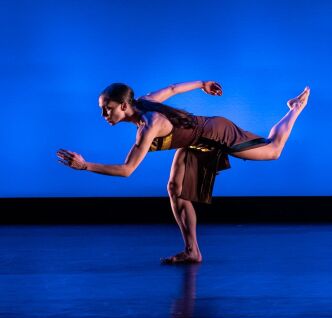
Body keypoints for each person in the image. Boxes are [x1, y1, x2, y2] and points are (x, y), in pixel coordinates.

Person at [57, 80, 310, 263]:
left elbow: (127, 170)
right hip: (195, 143)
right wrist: (202, 84)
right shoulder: (145, 102)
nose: (104, 114)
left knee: (273, 150)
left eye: (108, 108)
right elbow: (172, 89)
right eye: (102, 109)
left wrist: (86, 166)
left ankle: (295, 108)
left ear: (124, 105)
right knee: (175, 190)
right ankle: (192, 251)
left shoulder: (149, 125)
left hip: (215, 133)